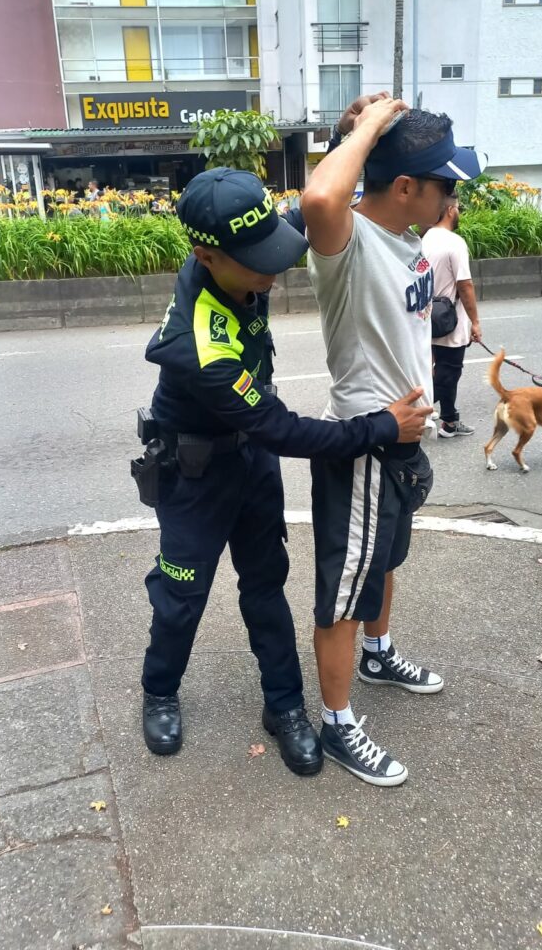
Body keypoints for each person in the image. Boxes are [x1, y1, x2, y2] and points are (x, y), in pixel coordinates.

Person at [136, 166, 430, 777]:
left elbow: (322, 198)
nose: (276, 269)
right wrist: (381, 427)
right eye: (259, 260)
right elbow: (287, 430)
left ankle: (286, 707)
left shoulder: (245, 248)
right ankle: (160, 689)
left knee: (266, 585)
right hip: (195, 474)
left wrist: (359, 130)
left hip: (250, 461)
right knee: (181, 596)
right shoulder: (199, 347)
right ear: (206, 255)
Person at [302, 97, 486, 786]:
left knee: (383, 564)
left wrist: (358, 134)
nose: (453, 196)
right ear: (407, 187)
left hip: (404, 448)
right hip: (365, 448)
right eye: (445, 183)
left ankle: (377, 655)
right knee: (344, 591)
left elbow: (354, 178)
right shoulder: (348, 245)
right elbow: (321, 193)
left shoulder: (408, 237)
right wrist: (372, 128)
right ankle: (338, 723)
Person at [422, 194, 482, 437]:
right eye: (458, 207)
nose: (459, 212)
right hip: (450, 320)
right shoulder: (454, 242)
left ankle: (449, 420)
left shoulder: (425, 238)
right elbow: (465, 285)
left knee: (437, 369)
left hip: (427, 316)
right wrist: (475, 322)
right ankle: (409, 411)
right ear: (449, 210)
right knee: (449, 372)